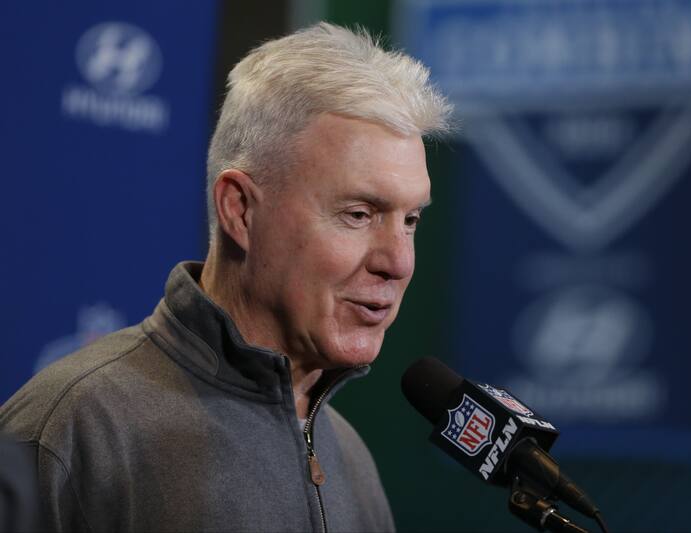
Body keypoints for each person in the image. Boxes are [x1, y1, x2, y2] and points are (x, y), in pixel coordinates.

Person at [0, 22, 451, 532]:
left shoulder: (350, 455)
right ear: (239, 210)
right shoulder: (66, 430)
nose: (397, 262)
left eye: (410, 220)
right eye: (358, 214)